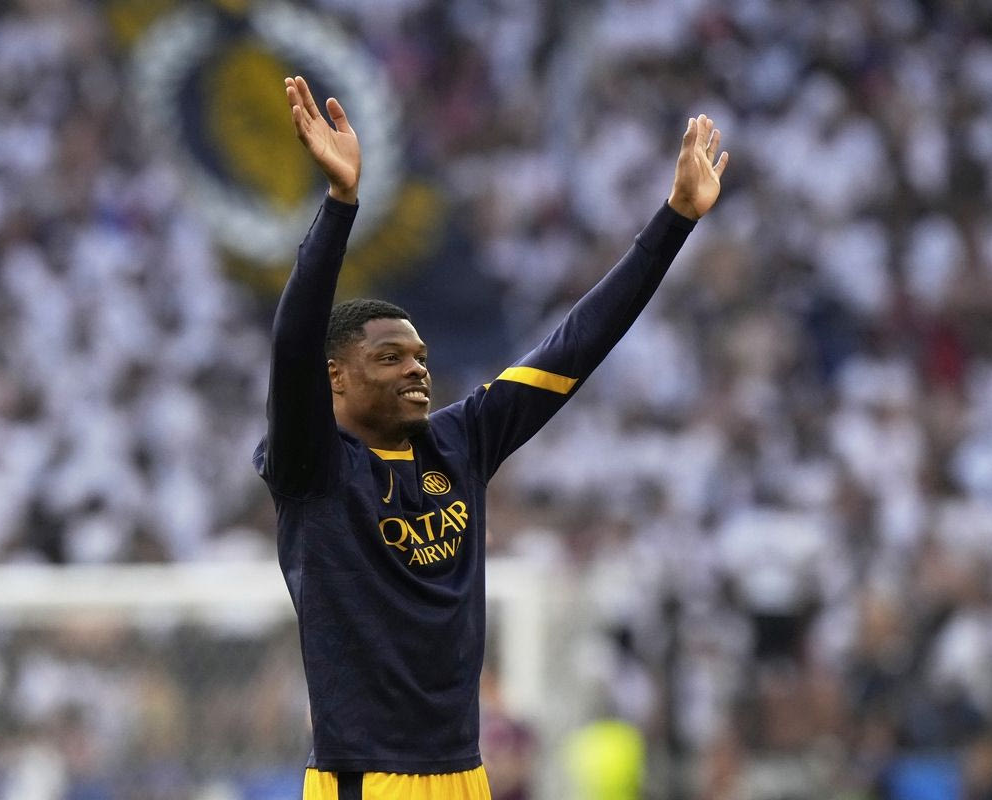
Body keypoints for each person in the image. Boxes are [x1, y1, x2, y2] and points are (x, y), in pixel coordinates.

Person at [252, 75, 728, 800]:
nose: (417, 370)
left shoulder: (461, 442)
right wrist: (341, 205)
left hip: (466, 775)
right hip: (368, 780)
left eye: (420, 357)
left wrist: (675, 220)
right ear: (335, 380)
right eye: (389, 357)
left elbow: (574, 346)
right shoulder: (312, 469)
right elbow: (292, 344)